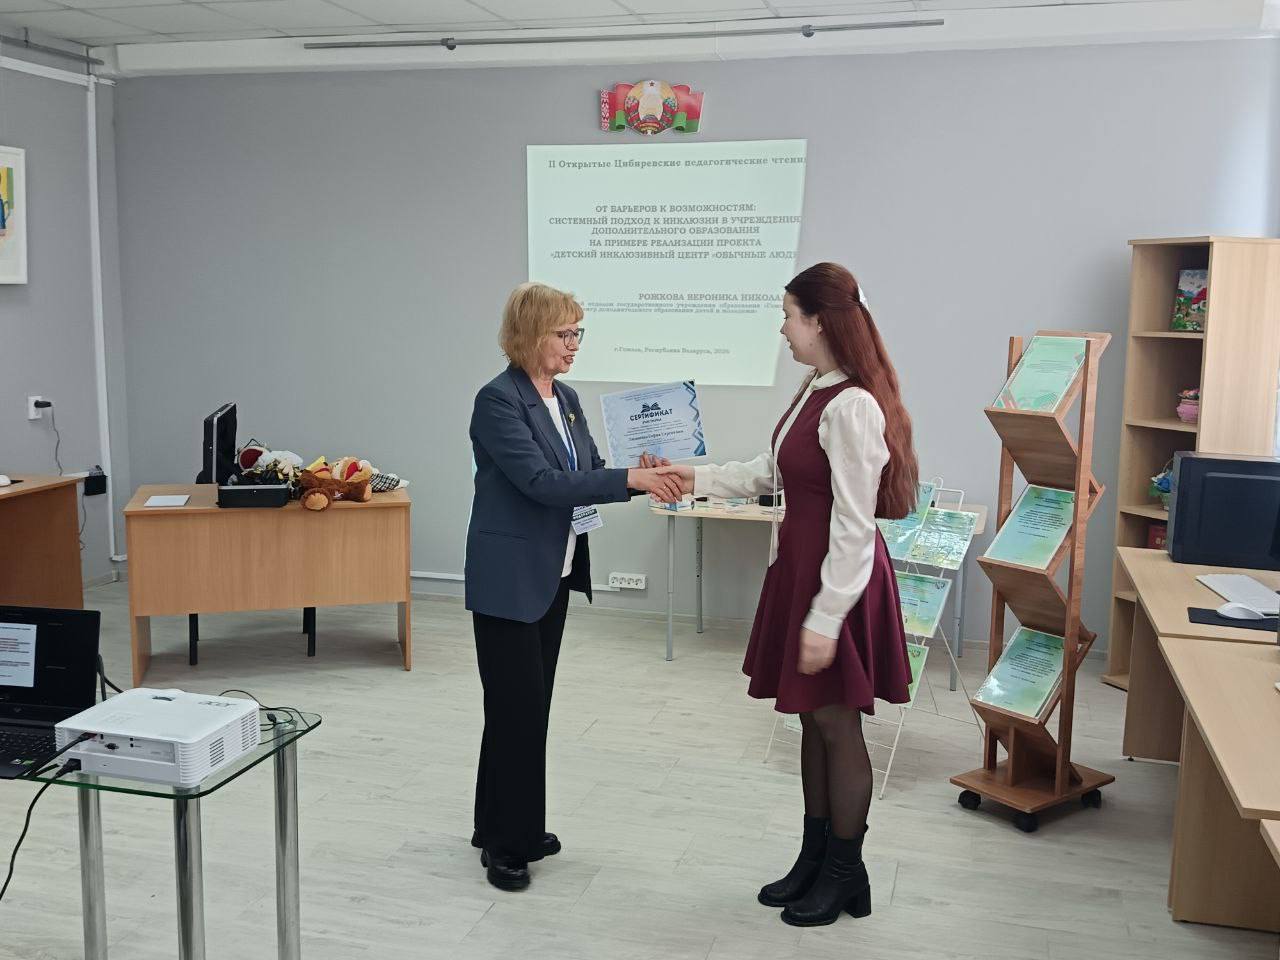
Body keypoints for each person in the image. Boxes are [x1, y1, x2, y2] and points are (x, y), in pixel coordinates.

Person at [668, 262, 919, 926]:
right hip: (804, 572)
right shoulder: (818, 388)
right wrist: (690, 476)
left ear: (818, 321)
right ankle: (816, 859)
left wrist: (826, 617)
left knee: (837, 724)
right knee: (812, 719)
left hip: (836, 580)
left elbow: (854, 524)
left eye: (787, 316)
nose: (782, 329)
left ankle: (845, 873)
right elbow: (770, 473)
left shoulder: (853, 405)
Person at [465, 281, 682, 892]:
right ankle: (508, 846)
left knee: (526, 708)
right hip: (510, 579)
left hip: (552, 572)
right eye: (565, 333)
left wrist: (637, 472)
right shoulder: (497, 400)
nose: (574, 344)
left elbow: (585, 471)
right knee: (515, 709)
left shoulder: (565, 397)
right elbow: (539, 482)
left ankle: (502, 826)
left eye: (577, 332)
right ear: (530, 334)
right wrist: (630, 482)